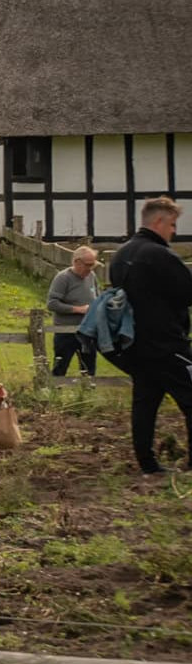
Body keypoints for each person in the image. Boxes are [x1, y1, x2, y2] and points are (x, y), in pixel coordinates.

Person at [106, 196, 192, 476]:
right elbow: (187, 293)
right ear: (158, 222)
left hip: (134, 343)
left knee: (145, 402)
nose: (174, 231)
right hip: (167, 343)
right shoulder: (159, 255)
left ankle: (148, 463)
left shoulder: (121, 255)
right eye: (172, 224)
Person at [47, 246, 99, 377]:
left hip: (87, 331)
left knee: (88, 369)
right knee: (60, 367)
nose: (90, 269)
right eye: (88, 265)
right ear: (77, 262)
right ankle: (54, 393)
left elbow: (97, 296)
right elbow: (52, 303)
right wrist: (78, 309)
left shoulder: (91, 276)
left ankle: (87, 394)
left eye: (93, 265)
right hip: (66, 332)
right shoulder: (63, 278)